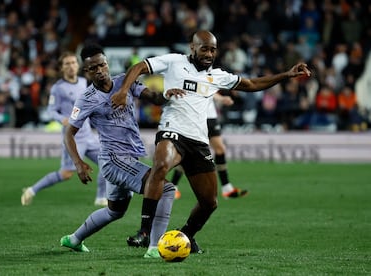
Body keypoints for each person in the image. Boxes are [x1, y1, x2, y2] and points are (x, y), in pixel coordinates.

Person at [111, 30, 311, 253]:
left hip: (198, 141)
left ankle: (186, 235)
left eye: (213, 49)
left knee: (209, 203)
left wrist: (286, 75)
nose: (209, 53)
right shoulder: (174, 61)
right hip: (172, 131)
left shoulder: (218, 76)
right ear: (192, 47)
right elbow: (139, 67)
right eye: (204, 48)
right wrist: (123, 91)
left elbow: (252, 84)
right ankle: (145, 231)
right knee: (160, 166)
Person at [59, 44, 185, 258]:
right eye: (93, 68)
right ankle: (154, 248)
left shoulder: (123, 82)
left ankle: (73, 239)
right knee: (166, 188)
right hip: (113, 159)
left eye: (102, 65)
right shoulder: (86, 99)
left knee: (114, 211)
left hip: (126, 158)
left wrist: (166, 94)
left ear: (107, 63)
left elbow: (152, 97)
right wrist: (78, 164)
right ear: (86, 72)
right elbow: (68, 134)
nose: (99, 70)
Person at [21, 51, 107, 207]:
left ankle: (101, 198)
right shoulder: (58, 88)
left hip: (88, 135)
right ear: (61, 68)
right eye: (67, 64)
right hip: (73, 138)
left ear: (78, 65)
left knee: (107, 162)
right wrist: (63, 120)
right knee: (66, 174)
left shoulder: (83, 82)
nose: (71, 66)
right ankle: (32, 190)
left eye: (73, 62)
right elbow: (51, 110)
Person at [171, 93, 248, 200]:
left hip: (211, 117)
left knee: (220, 149)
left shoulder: (209, 76)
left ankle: (227, 188)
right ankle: (173, 186)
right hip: (197, 116)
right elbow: (204, 88)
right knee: (190, 153)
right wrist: (221, 98)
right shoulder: (193, 77)